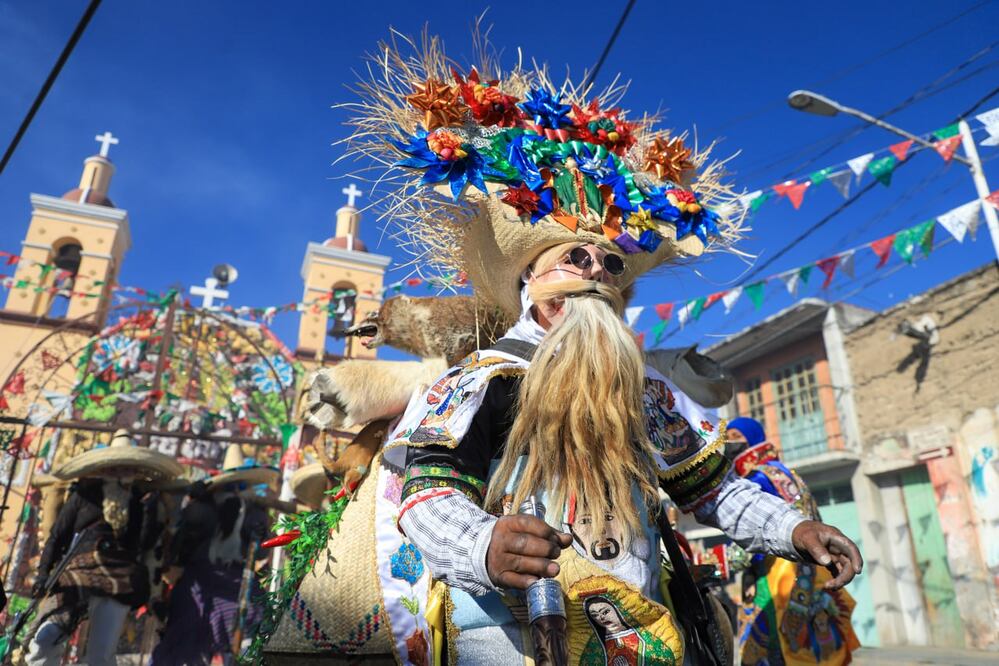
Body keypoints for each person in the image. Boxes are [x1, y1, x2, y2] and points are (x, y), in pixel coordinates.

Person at [261, 33, 863, 665]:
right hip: (510, 640)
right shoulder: (485, 380)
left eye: (609, 264)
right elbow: (428, 491)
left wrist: (794, 529)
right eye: (575, 258)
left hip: (643, 634)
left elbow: (707, 488)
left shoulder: (644, 392)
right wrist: (484, 544)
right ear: (530, 281)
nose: (596, 274)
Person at [26, 430, 181, 666]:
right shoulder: (83, 496)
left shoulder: (139, 504)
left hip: (117, 580)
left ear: (135, 472)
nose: (121, 471)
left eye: (127, 467)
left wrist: (149, 510)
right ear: (105, 468)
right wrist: (43, 574)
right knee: (44, 642)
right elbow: (58, 536)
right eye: (116, 466)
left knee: (100, 656)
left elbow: (140, 547)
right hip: (76, 575)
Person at [726, 417, 861, 665]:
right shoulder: (784, 473)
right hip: (810, 575)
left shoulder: (759, 480)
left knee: (776, 650)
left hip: (780, 579)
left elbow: (755, 530)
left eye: (735, 436)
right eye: (727, 437)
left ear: (753, 439)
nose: (729, 443)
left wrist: (715, 564)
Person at [150, 444, 276, 666]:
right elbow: (182, 539)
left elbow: (261, 552)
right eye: (232, 486)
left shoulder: (252, 513)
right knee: (185, 640)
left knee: (253, 631)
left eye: (240, 485)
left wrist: (260, 526)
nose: (235, 491)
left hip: (236, 583)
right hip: (200, 584)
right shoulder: (205, 510)